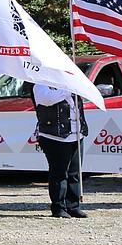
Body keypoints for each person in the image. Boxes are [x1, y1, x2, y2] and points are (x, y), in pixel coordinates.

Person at [32, 84, 89, 218]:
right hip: (54, 136)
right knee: (59, 173)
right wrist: (68, 89)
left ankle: (73, 206)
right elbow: (46, 99)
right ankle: (58, 207)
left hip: (76, 134)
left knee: (74, 173)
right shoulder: (41, 85)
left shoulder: (71, 83)